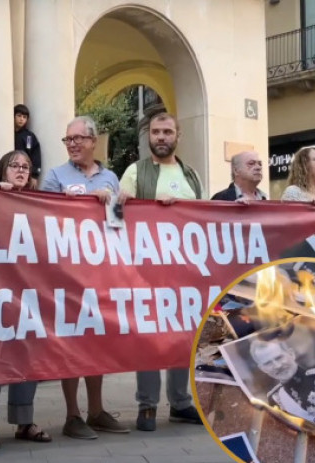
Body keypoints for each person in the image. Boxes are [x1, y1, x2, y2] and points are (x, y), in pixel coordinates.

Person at [41, 115, 128, 439]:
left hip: (100, 271)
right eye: (68, 140)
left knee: (97, 340)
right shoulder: (55, 176)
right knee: (71, 340)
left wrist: (121, 201)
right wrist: (78, 203)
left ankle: (96, 410)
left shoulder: (110, 177)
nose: (73, 144)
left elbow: (119, 221)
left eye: (78, 139)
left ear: (93, 142)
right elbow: (42, 215)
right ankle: (72, 415)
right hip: (67, 272)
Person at [118, 110, 203, 431]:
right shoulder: (135, 172)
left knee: (184, 336)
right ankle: (148, 405)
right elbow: (116, 214)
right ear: (149, 136)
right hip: (148, 272)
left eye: (167, 131)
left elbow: (205, 218)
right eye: (156, 132)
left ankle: (180, 402)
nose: (162, 137)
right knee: (151, 339)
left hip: (186, 273)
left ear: (177, 136)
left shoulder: (191, 174)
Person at [0, 150, 51, 450]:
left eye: (25, 167)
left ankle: (24, 420)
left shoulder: (39, 202)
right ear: (2, 170)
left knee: (26, 355)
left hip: (28, 289)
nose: (20, 170)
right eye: (14, 165)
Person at [14, 104, 42, 181]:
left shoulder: (28, 137)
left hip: (23, 173)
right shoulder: (9, 134)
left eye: (24, 117)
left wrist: (34, 175)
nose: (21, 119)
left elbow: (33, 154)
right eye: (19, 116)